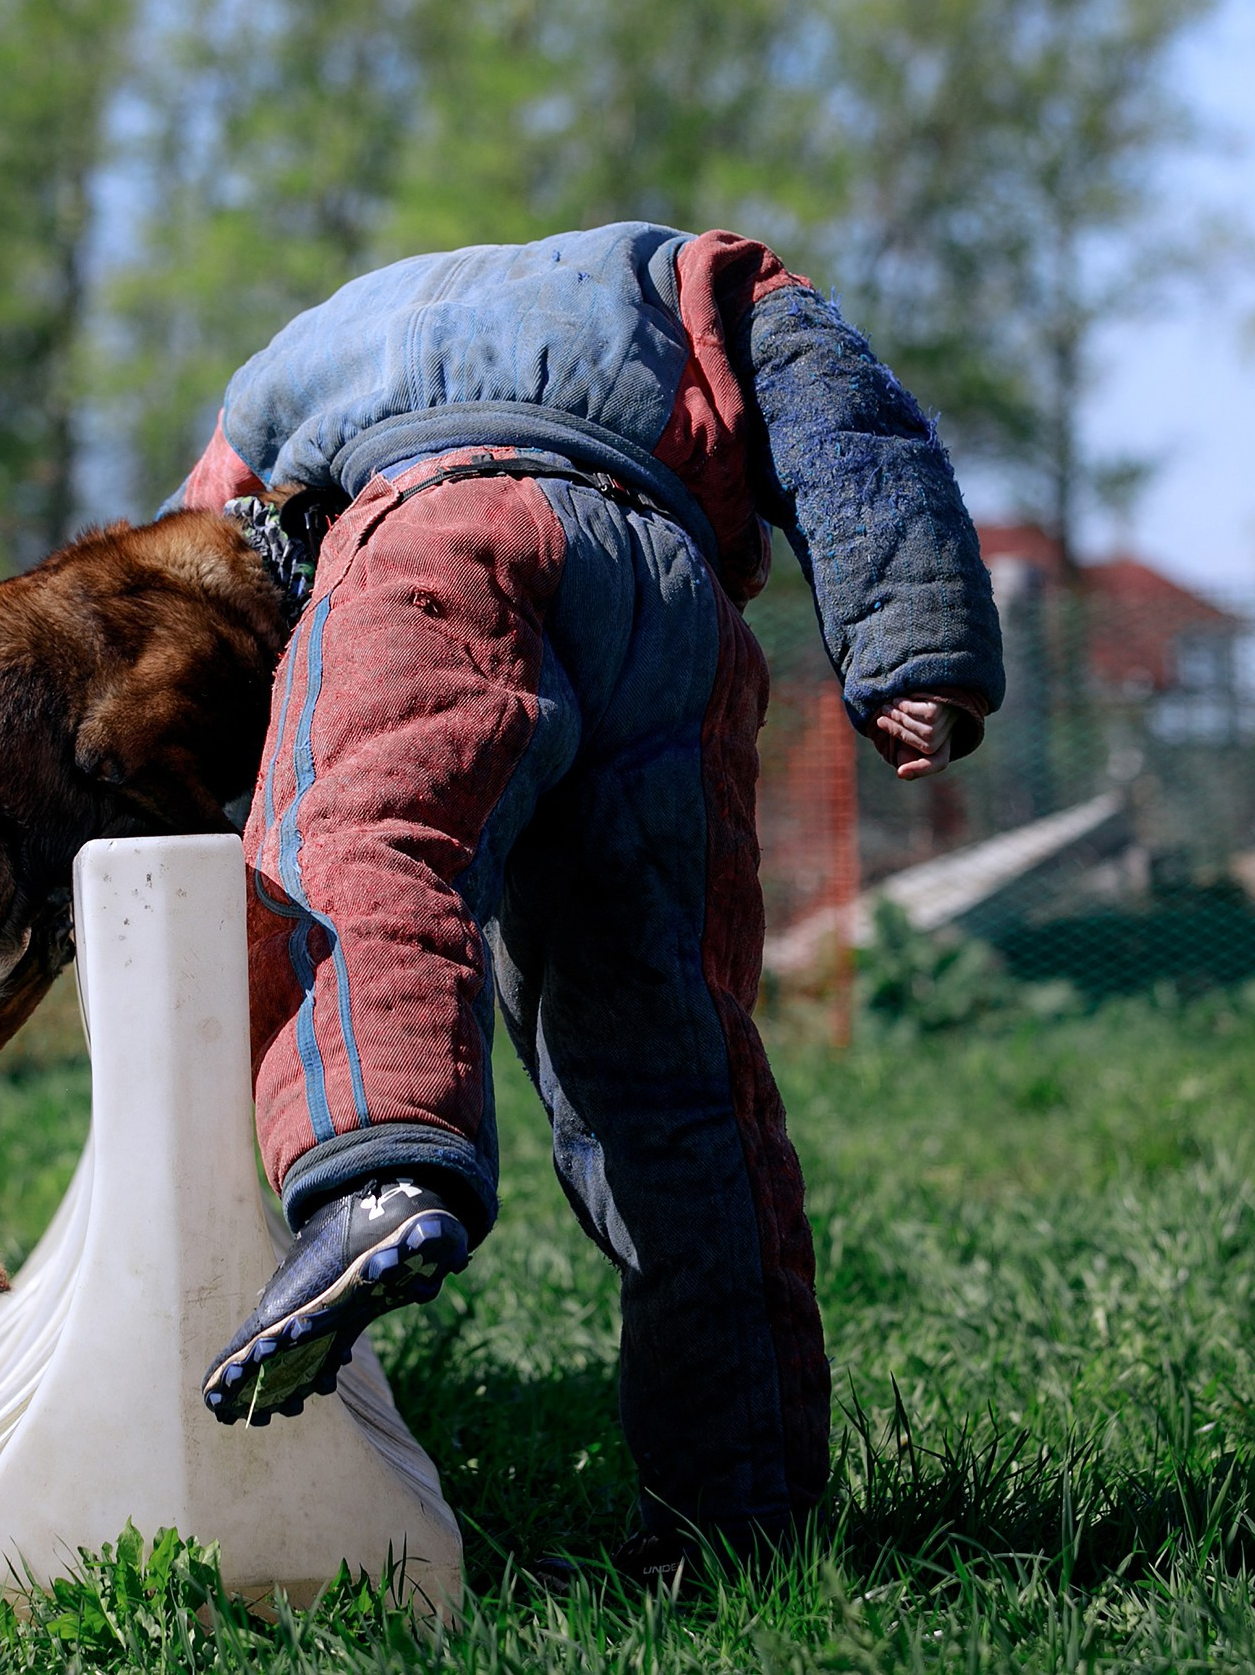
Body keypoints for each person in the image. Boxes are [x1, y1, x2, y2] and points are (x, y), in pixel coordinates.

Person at [169, 225, 1005, 1568]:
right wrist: (917, 647)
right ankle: (740, 1510)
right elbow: (854, 430)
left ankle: (379, 1166)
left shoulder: (299, 351)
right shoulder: (705, 278)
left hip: (430, 537)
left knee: (364, 840)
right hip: (667, 600)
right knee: (671, 1054)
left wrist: (157, 774)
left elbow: (194, 571)